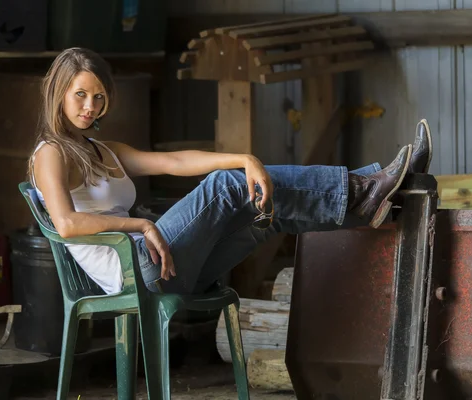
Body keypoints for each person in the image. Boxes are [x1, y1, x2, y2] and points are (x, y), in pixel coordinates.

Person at [28, 47, 433, 296]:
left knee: (265, 215)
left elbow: (174, 162)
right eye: (80, 95)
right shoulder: (50, 153)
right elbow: (65, 224)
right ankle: (366, 189)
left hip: (166, 263)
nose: (90, 107)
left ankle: (375, 204)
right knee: (224, 188)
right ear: (59, 93)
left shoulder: (102, 150)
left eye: (98, 97)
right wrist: (140, 226)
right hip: (136, 271)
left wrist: (244, 159)